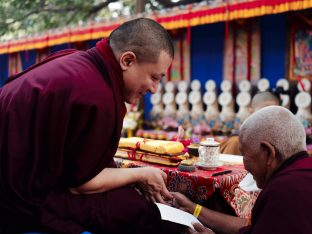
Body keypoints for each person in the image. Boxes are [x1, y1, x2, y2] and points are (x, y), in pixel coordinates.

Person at [0, 18, 184, 233]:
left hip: (13, 178)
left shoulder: (75, 60)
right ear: (127, 61)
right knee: (135, 210)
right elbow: (82, 184)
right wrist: (142, 174)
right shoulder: (97, 94)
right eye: (154, 77)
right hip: (15, 202)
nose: (154, 89)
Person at [172, 106, 312, 234]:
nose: (244, 166)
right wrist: (192, 207)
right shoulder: (301, 172)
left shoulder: (283, 190)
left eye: (244, 154)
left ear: (268, 153)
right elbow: (251, 227)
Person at [220, 91, 281, 155]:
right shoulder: (236, 142)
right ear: (251, 112)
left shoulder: (280, 143)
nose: (269, 118)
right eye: (264, 113)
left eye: (274, 113)